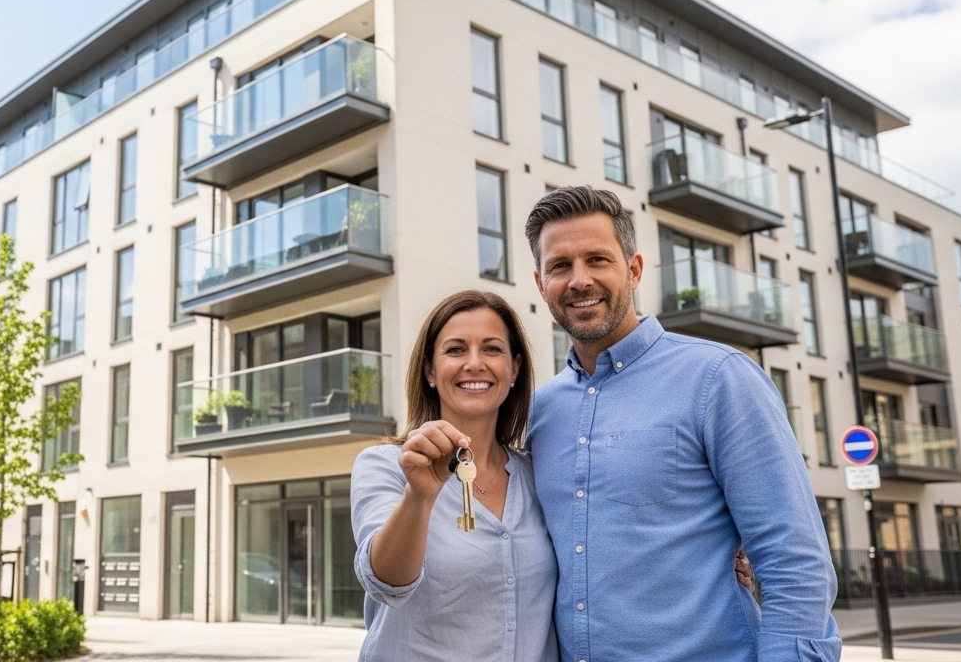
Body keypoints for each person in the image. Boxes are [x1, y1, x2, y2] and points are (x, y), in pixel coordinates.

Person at [523, 185, 841, 661]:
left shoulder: (718, 379)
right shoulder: (541, 410)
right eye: (560, 266)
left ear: (633, 269)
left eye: (598, 260)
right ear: (539, 283)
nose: (579, 280)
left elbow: (794, 561)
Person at [351, 290, 558, 662]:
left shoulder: (537, 473)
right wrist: (420, 496)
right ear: (430, 370)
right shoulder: (384, 465)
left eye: (492, 349)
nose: (474, 363)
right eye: (456, 350)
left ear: (514, 369)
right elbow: (387, 583)